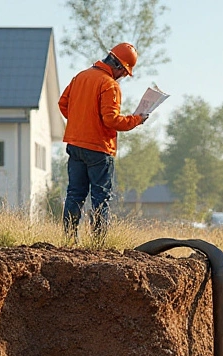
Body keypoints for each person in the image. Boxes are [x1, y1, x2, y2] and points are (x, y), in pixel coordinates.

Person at [58, 42, 146, 243]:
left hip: (75, 145)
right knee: (100, 198)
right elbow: (111, 120)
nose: (122, 76)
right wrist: (136, 119)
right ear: (119, 67)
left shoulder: (80, 76)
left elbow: (63, 104)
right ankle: (98, 245)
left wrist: (81, 121)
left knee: (75, 194)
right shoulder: (109, 85)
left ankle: (69, 242)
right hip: (98, 149)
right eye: (124, 72)